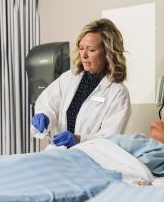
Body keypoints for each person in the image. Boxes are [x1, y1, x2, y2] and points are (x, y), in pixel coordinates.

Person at [31, 18, 131, 147]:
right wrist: (44, 116)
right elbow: (48, 104)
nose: (84, 55)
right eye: (81, 48)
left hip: (91, 159)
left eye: (91, 50)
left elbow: (110, 139)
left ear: (107, 53)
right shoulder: (69, 78)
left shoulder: (118, 92)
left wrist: (78, 139)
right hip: (61, 154)